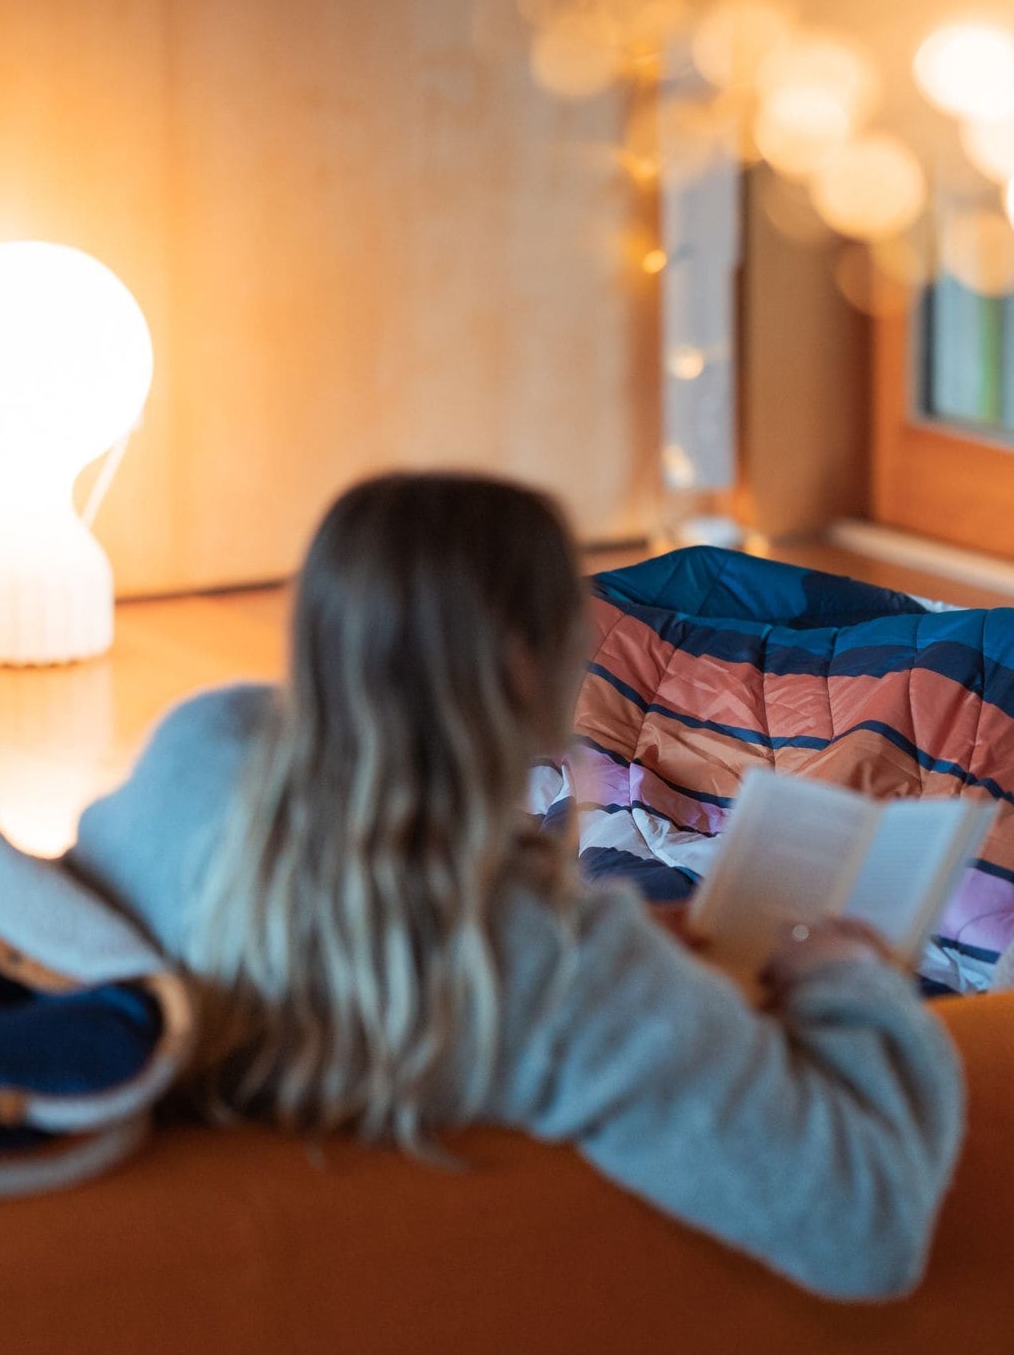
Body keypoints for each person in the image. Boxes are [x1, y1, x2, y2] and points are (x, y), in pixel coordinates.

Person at [61, 473, 964, 1301]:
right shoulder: (559, 972)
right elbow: (869, 1236)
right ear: (525, 664)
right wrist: (846, 980)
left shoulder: (198, 749)